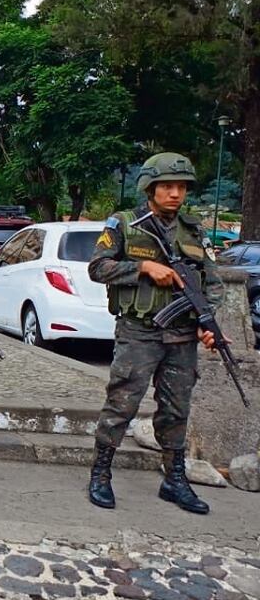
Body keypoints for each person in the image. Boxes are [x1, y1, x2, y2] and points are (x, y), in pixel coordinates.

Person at [87, 152, 223, 514]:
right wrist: (143, 267)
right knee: (122, 403)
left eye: (181, 187)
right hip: (139, 331)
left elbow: (213, 283)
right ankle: (101, 472)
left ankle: (174, 479)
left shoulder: (193, 231)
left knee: (177, 409)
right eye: (167, 186)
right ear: (150, 187)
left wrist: (207, 323)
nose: (175, 194)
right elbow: (98, 267)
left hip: (181, 337)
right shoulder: (125, 224)